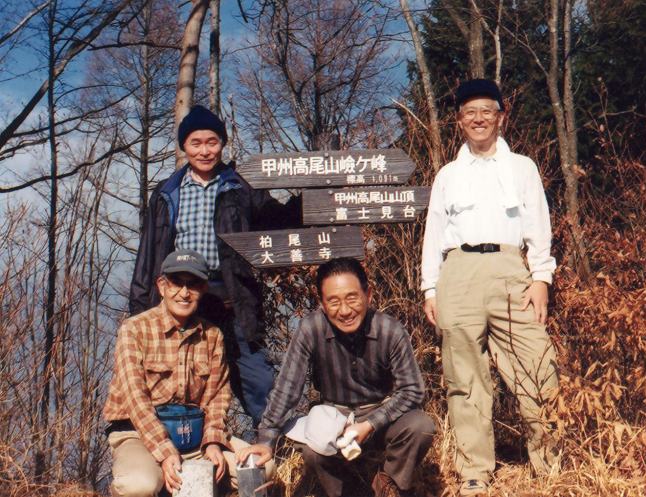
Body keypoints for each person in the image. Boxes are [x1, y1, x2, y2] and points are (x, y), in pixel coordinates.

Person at [421, 79, 560, 496]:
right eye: (470, 112)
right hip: (458, 273)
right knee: (464, 377)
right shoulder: (448, 175)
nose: (478, 119)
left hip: (510, 270)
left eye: (487, 111)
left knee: (538, 364)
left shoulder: (522, 167)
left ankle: (549, 463)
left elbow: (538, 226)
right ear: (459, 120)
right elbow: (434, 234)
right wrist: (430, 288)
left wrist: (541, 278)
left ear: (501, 116)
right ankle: (474, 471)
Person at [128, 105, 298, 426]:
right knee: (184, 382)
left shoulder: (240, 187)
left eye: (212, 142)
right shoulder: (167, 193)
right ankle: (192, 448)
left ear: (222, 144)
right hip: (184, 300)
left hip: (233, 299)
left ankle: (273, 445)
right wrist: (139, 311)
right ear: (184, 146)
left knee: (258, 381)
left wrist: (312, 202)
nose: (204, 151)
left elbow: (278, 221)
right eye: (196, 143)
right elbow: (149, 255)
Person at [238, 258, 436, 497]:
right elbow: (287, 389)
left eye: (352, 298)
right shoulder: (311, 328)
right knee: (312, 451)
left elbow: (413, 390)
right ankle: (346, 491)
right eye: (333, 301)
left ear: (368, 295)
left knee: (420, 426)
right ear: (322, 303)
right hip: (333, 418)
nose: (344, 311)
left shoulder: (389, 329)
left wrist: (370, 424)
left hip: (380, 416)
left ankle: (388, 484)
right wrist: (266, 439)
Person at [103, 249, 265, 497]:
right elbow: (136, 400)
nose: (184, 293)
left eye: (193, 284)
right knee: (139, 485)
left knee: (259, 468)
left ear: (203, 289)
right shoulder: (134, 329)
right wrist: (164, 450)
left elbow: (217, 396)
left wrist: (213, 441)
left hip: (194, 437)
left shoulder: (212, 335)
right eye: (177, 283)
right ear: (162, 286)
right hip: (138, 434)